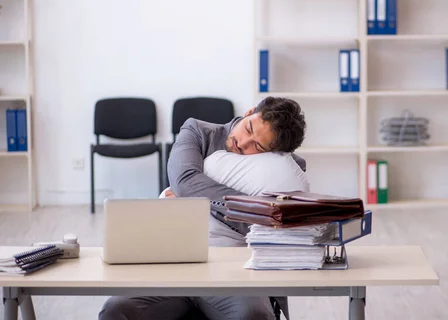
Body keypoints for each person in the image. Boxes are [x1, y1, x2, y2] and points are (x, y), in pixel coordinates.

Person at [98, 96, 307, 320]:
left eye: (257, 146)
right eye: (248, 129)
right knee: (115, 309)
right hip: (173, 264)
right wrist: (251, 207)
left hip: (234, 271)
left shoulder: (288, 168)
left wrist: (194, 201)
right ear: (249, 112)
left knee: (253, 315)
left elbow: (276, 226)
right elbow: (185, 181)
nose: (243, 143)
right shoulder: (197, 130)